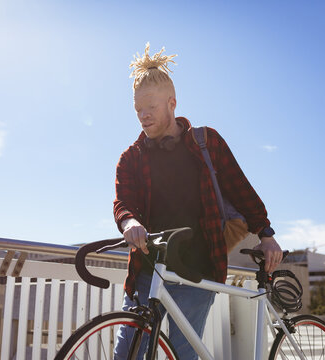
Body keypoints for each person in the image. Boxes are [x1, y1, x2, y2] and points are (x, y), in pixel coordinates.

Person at [112, 43, 283, 359]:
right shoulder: (130, 159)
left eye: (150, 106)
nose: (143, 115)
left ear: (172, 102)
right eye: (138, 109)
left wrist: (267, 235)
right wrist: (129, 221)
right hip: (149, 270)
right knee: (127, 355)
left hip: (198, 274)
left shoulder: (207, 143)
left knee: (185, 354)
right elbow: (124, 203)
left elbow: (242, 191)